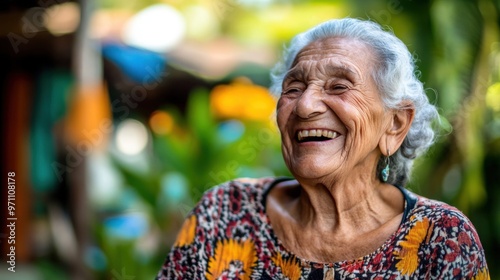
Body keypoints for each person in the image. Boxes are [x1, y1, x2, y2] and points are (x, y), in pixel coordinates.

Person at [156, 18, 489, 279]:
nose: (305, 106)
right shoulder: (224, 214)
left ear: (395, 124)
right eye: (294, 87)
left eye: (339, 86)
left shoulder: (440, 237)